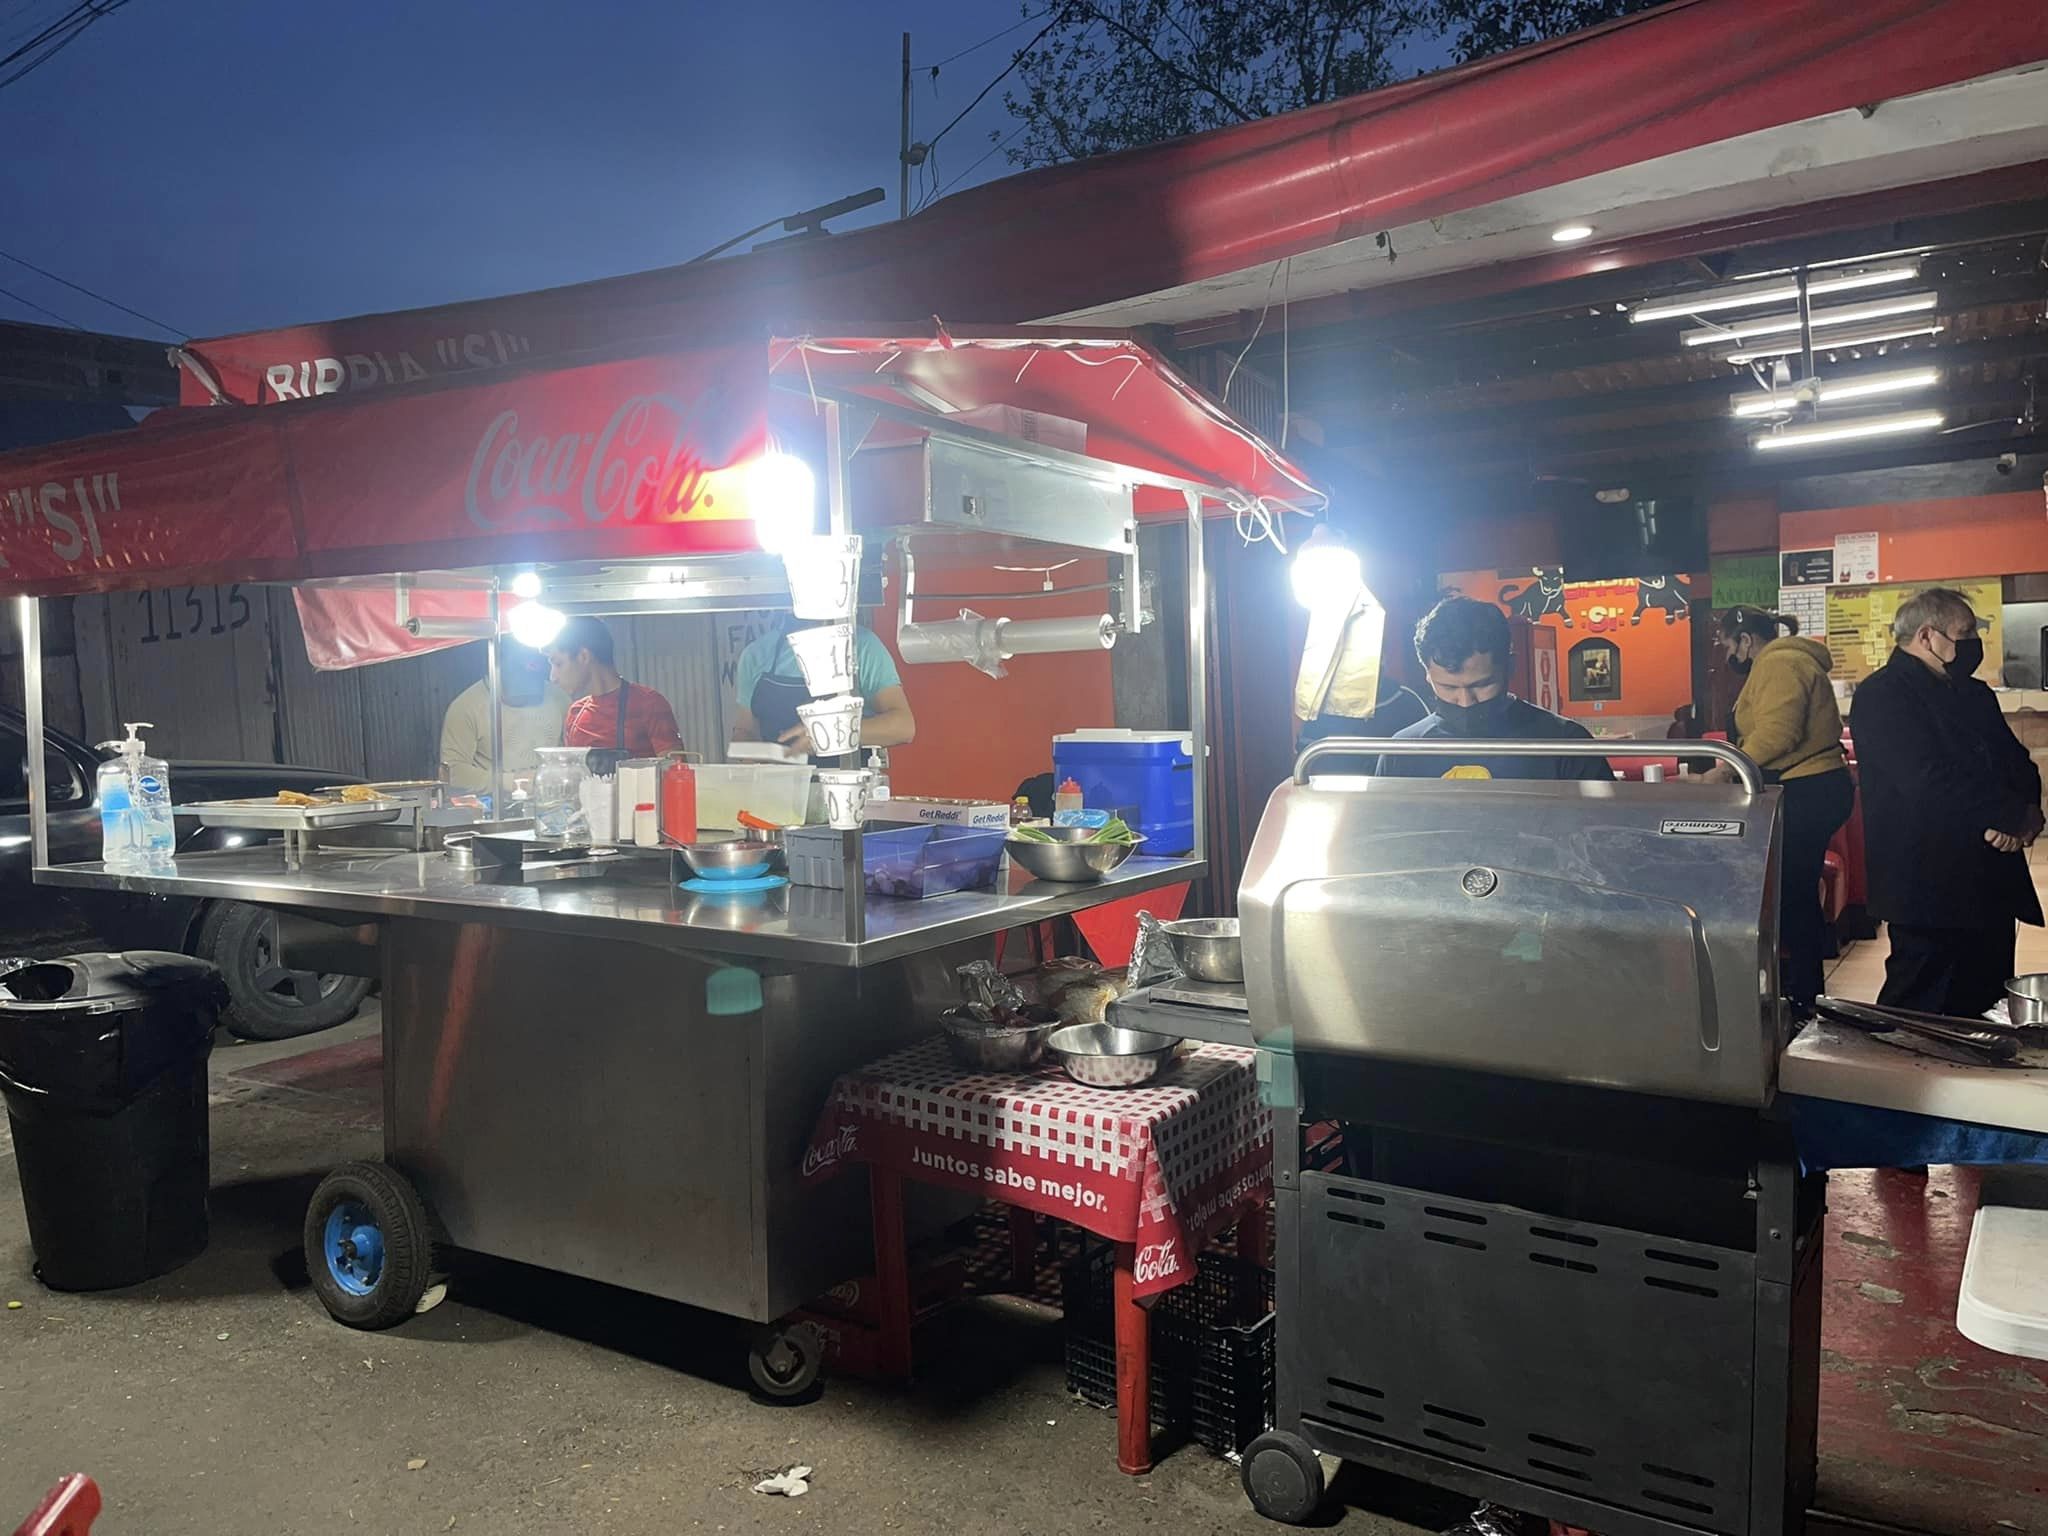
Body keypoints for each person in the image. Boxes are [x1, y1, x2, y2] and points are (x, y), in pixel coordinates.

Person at [1850, 587, 2043, 1018]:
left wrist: (2026, 814)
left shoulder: (1975, 694)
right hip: (1928, 884)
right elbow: (1925, 780)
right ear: (1926, 636)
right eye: (1966, 632)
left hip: (1989, 879)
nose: (1974, 642)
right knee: (1919, 1011)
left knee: (1987, 1007)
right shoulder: (1883, 695)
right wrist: (2006, 816)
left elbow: (2016, 762)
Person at [1703, 607, 1853, 1013]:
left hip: (1809, 789)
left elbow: (1778, 732)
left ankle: (1805, 997)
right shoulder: (1783, 661)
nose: (1728, 656)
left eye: (1728, 646)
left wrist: (1727, 769)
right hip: (1814, 786)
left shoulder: (1779, 663)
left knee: (1794, 893)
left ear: (1745, 640)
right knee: (1795, 890)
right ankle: (1804, 991)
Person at [1376, 596, 1610, 780]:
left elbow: (1604, 825)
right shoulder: (1403, 752)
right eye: (1448, 687)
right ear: (1427, 674)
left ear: (1510, 666)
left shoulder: (1565, 744)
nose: (1465, 701)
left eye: (1482, 685)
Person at [733, 615, 915, 759]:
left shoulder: (862, 646)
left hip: (846, 786)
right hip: (781, 787)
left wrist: (829, 732)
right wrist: (750, 761)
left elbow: (903, 727)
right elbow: (746, 730)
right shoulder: (756, 655)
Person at [439, 639, 569, 795]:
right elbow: (453, 773)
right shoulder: (466, 707)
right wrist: (515, 781)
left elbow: (575, 755)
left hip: (553, 800)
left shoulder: (559, 698)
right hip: (494, 804)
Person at [543, 617, 684, 757]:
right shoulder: (575, 712)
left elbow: (675, 768)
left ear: (584, 656)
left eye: (558, 664)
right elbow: (572, 769)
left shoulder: (648, 703)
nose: (552, 677)